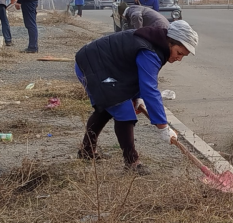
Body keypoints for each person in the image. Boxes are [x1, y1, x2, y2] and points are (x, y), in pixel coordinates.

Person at [74, 20, 198, 175]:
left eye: (183, 56)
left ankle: (86, 151)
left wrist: (136, 96)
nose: (179, 58)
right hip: (92, 65)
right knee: (124, 110)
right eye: (179, 53)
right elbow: (150, 90)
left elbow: (139, 75)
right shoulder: (151, 51)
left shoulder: (158, 45)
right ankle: (132, 162)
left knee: (107, 107)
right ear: (171, 42)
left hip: (103, 65)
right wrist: (163, 127)